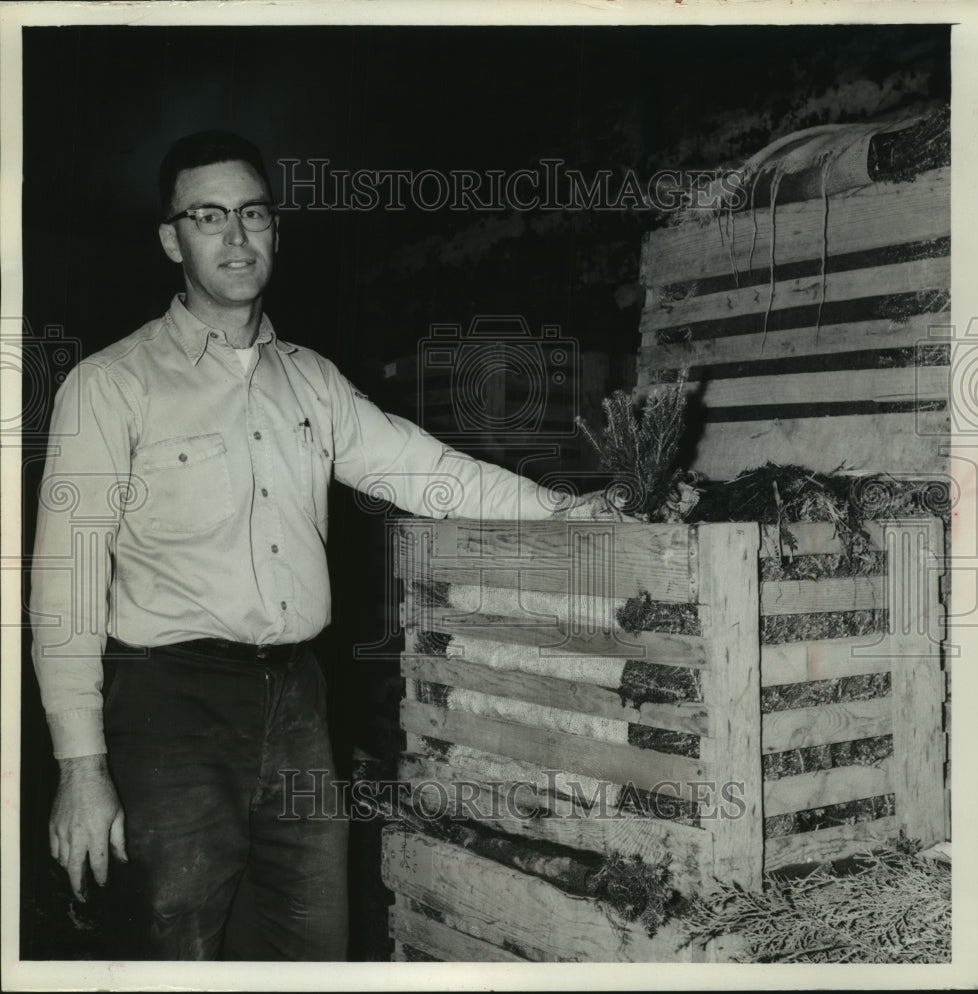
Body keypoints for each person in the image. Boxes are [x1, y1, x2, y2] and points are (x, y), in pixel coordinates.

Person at [29, 130, 625, 961]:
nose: (236, 237)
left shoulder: (312, 379)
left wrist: (575, 519)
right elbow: (65, 587)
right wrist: (81, 767)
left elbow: (428, 472)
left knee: (313, 947)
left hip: (299, 703)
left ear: (277, 230)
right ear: (172, 240)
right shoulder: (110, 385)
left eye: (253, 214)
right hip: (170, 709)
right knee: (176, 950)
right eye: (209, 216)